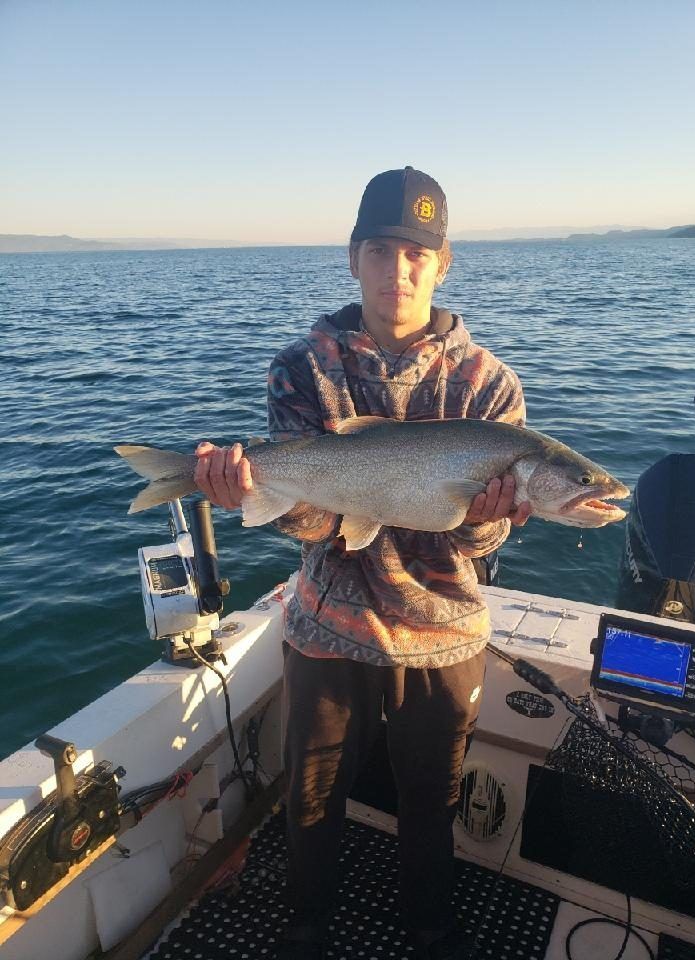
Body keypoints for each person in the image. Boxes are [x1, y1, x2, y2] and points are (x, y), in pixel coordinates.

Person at [194, 166, 531, 960]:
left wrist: (484, 523)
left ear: (442, 263)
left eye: (418, 253)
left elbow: (484, 548)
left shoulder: (488, 385)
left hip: (443, 636)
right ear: (354, 258)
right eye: (382, 249)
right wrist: (243, 488)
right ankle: (306, 929)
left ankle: (430, 931)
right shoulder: (302, 369)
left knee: (431, 799)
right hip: (326, 626)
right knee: (310, 798)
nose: (399, 269)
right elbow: (313, 526)